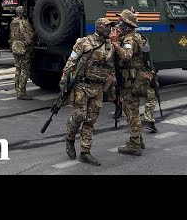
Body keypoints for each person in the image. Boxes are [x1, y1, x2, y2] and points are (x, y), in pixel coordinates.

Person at [61, 18, 115, 166]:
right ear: (99, 27)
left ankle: (85, 152)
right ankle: (70, 139)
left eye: (110, 26)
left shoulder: (110, 46)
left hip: (98, 89)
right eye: (107, 26)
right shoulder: (84, 42)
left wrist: (112, 89)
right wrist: (64, 83)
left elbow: (110, 69)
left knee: (90, 121)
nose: (110, 29)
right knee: (78, 116)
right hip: (82, 86)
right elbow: (71, 62)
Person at [109, 9, 148, 156]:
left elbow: (126, 56)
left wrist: (115, 43)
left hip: (130, 81)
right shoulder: (133, 36)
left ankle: (134, 144)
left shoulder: (129, 39)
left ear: (127, 24)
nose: (118, 24)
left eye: (121, 21)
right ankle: (139, 138)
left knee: (131, 112)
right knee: (133, 110)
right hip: (131, 79)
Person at [9, 6, 35, 100]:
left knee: (18, 70)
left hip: (15, 47)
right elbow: (31, 35)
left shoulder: (13, 22)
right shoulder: (24, 22)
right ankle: (22, 93)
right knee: (24, 70)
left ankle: (17, 90)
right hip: (23, 48)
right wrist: (29, 44)